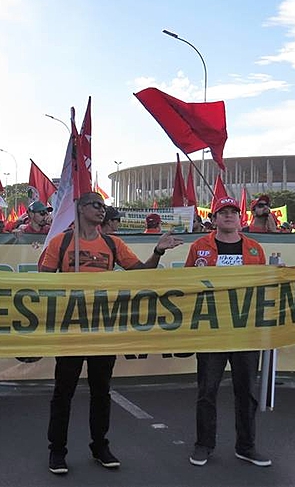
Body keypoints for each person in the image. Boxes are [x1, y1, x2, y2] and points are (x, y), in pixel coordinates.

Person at [39, 192, 183, 474]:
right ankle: (57, 450)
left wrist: (158, 251)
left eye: (104, 207)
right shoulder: (62, 242)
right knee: (63, 392)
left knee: (101, 391)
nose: (102, 211)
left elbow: (140, 273)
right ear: (80, 209)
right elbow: (43, 279)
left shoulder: (112, 243)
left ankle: (100, 446)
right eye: (96, 205)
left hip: (103, 328)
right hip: (71, 329)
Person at [185, 196, 272, 468]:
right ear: (214, 218)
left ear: (240, 217)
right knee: (207, 391)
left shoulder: (255, 249)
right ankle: (204, 445)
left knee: (246, 391)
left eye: (233, 211)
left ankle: (246, 447)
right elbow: (186, 282)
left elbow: (264, 287)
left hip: (245, 331)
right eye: (223, 212)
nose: (228, 216)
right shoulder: (200, 246)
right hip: (212, 330)